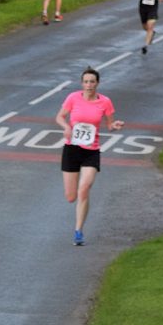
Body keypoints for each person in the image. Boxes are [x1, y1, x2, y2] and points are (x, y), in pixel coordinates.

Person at [55, 67, 124, 245]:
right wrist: (66, 127)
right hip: (72, 149)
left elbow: (109, 125)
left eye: (92, 82)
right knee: (71, 197)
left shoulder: (105, 102)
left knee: (84, 188)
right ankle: (78, 222)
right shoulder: (73, 98)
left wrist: (114, 125)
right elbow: (60, 117)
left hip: (91, 151)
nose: (89, 85)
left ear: (97, 83)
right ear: (81, 83)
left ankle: (78, 231)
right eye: (86, 82)